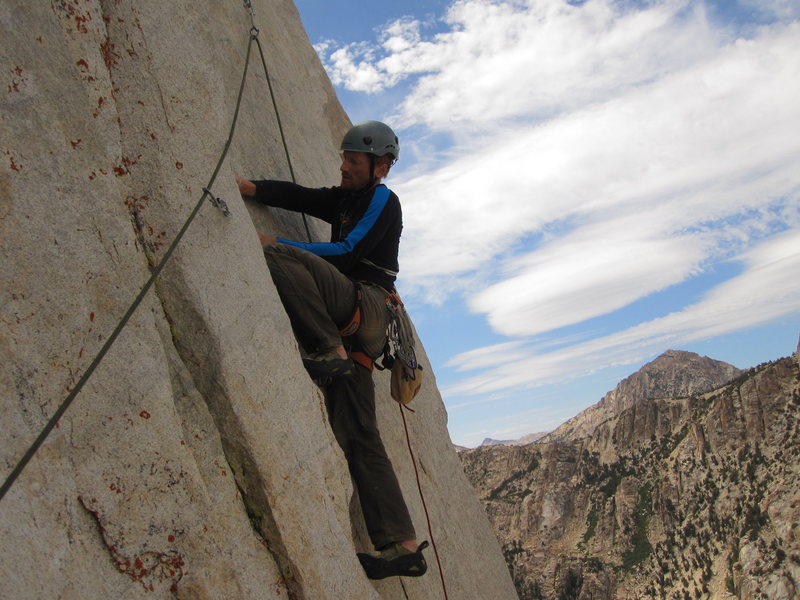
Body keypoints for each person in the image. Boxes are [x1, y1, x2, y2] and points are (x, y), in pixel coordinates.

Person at [237, 121, 428, 580]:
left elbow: (345, 252)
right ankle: (401, 545)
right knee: (360, 433)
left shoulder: (382, 198)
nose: (343, 167)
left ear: (379, 167)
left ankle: (328, 351)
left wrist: (278, 241)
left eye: (353, 161)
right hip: (359, 325)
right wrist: (250, 188)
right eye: (344, 158)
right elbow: (302, 197)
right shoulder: (346, 196)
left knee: (280, 255)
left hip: (366, 303)